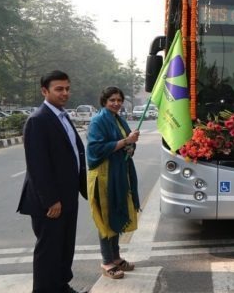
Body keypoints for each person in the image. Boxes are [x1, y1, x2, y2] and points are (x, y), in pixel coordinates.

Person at [17, 70, 87, 293]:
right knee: (49, 252)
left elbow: (74, 153)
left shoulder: (63, 117)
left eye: (67, 88)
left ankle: (61, 286)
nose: (64, 93)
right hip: (50, 203)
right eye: (59, 89)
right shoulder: (38, 120)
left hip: (68, 197)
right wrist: (51, 200)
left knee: (64, 248)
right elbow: (37, 165)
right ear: (44, 91)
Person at [86, 86, 141, 279]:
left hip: (118, 174)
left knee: (117, 213)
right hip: (103, 176)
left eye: (119, 100)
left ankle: (116, 258)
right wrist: (126, 141)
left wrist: (130, 146)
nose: (116, 103)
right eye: (112, 100)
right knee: (105, 219)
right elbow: (96, 149)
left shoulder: (119, 119)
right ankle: (107, 261)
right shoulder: (98, 121)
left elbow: (127, 145)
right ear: (104, 101)